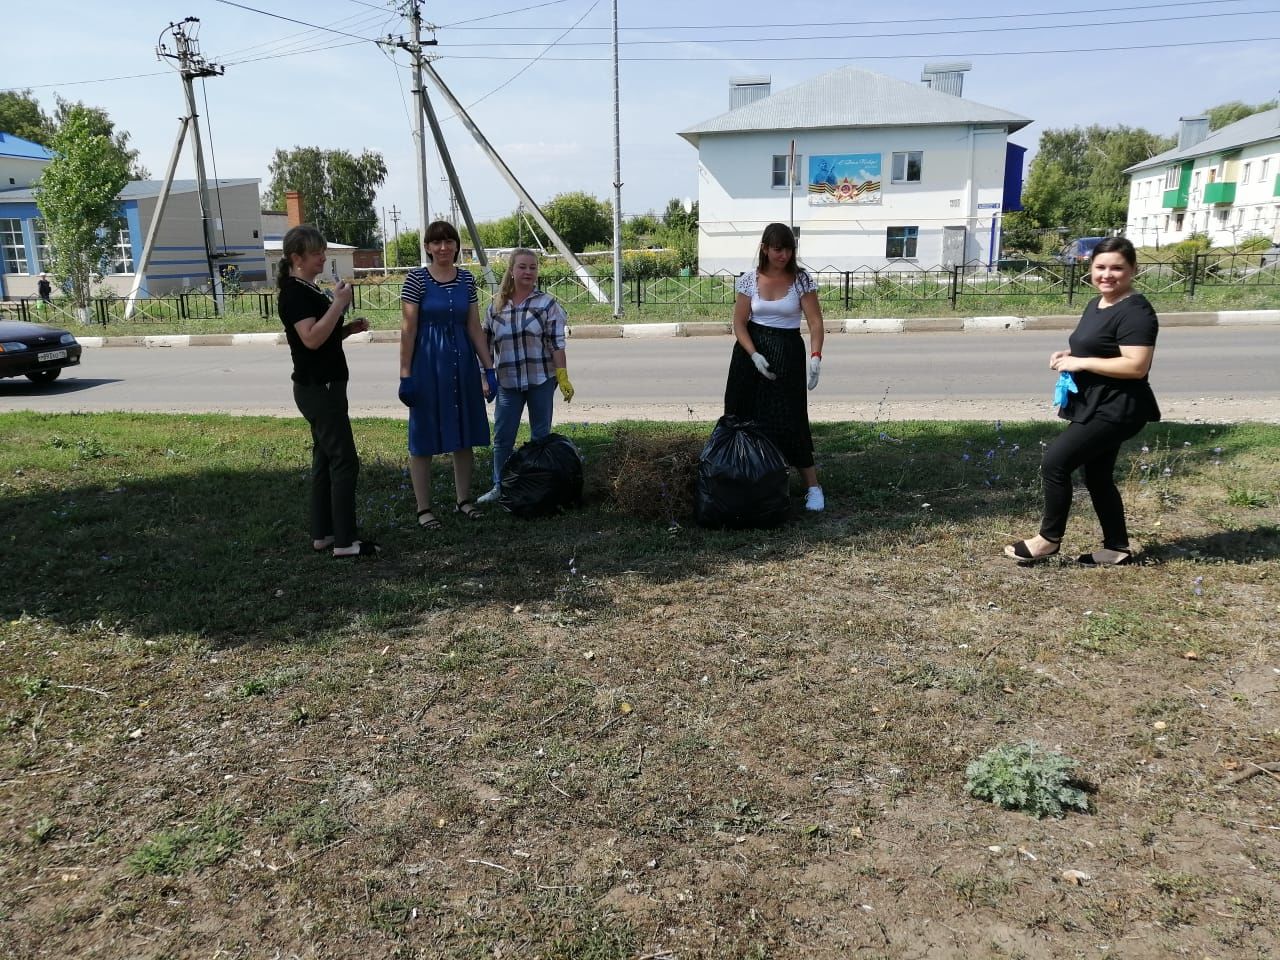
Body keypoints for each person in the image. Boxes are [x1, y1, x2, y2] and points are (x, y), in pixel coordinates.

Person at [1005, 236, 1161, 567]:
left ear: (1133, 270)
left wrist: (1082, 362)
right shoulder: (1098, 304)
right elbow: (1099, 346)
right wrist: (1070, 354)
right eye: (1100, 267)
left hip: (1119, 407)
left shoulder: (1136, 312)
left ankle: (1048, 540)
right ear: (1090, 269)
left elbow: (1135, 366)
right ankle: (1117, 548)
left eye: (1117, 268)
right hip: (1098, 402)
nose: (1107, 274)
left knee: (1056, 463)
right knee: (1098, 477)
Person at [276, 224, 376, 558]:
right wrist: (339, 304)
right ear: (296, 258)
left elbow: (323, 338)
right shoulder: (294, 293)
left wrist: (346, 328)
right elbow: (311, 338)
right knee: (345, 460)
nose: (323, 258)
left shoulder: (307, 288)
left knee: (324, 458)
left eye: (323, 251)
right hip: (320, 388)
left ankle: (324, 534)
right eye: (316, 253)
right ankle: (346, 541)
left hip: (323, 384)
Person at [398, 220, 496, 529]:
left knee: (463, 432)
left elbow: (473, 327)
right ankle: (423, 508)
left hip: (462, 363)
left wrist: (488, 368)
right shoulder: (416, 280)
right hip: (428, 363)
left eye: (449, 241)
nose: (443, 247)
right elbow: (408, 330)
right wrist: (406, 375)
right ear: (427, 247)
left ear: (456, 246)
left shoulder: (466, 280)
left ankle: (463, 500)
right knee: (423, 435)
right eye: (436, 242)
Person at [723, 222, 826, 512]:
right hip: (749, 355)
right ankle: (744, 478)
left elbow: (816, 323)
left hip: (787, 352)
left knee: (790, 418)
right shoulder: (749, 279)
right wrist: (754, 355)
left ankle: (813, 488)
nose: (784, 255)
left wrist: (816, 356)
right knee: (743, 414)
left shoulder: (801, 280)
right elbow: (739, 323)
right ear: (765, 249)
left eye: (789, 248)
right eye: (778, 249)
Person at [476, 248, 573, 505]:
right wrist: (485, 377)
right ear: (511, 270)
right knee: (503, 437)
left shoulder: (547, 305)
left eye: (533, 267)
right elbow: (484, 347)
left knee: (540, 436)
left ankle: (538, 485)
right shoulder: (495, 307)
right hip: (508, 383)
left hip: (541, 380)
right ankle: (499, 485)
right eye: (522, 267)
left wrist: (562, 375)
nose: (528, 272)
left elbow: (557, 344)